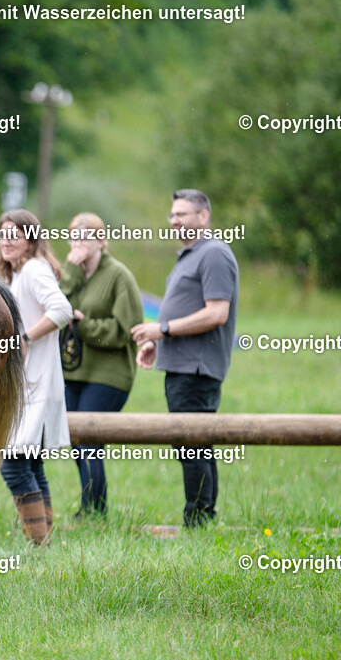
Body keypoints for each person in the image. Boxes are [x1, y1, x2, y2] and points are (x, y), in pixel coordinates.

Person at [131, 189, 239, 528]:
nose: (174, 221)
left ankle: (198, 518)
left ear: (203, 217)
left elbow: (217, 313)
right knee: (193, 443)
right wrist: (159, 343)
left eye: (182, 214)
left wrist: (162, 329)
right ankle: (203, 516)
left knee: (191, 443)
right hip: (182, 365)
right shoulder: (191, 254)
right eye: (172, 215)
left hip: (197, 369)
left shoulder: (214, 253)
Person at [0, 209, 73, 545]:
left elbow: (62, 310)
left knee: (13, 463)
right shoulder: (17, 275)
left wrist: (25, 337)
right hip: (29, 384)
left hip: (37, 383)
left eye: (15, 235)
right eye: (3, 234)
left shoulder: (35, 269)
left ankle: (39, 541)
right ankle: (44, 540)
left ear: (31, 241)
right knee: (29, 462)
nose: (7, 241)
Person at [60, 212, 143, 517]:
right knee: (76, 440)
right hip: (74, 371)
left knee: (89, 441)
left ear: (101, 241)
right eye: (74, 237)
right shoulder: (73, 273)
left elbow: (125, 330)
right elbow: (58, 307)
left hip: (109, 374)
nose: (79, 244)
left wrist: (84, 326)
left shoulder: (118, 275)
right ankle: (91, 507)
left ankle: (94, 511)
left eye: (86, 237)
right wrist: (71, 271)